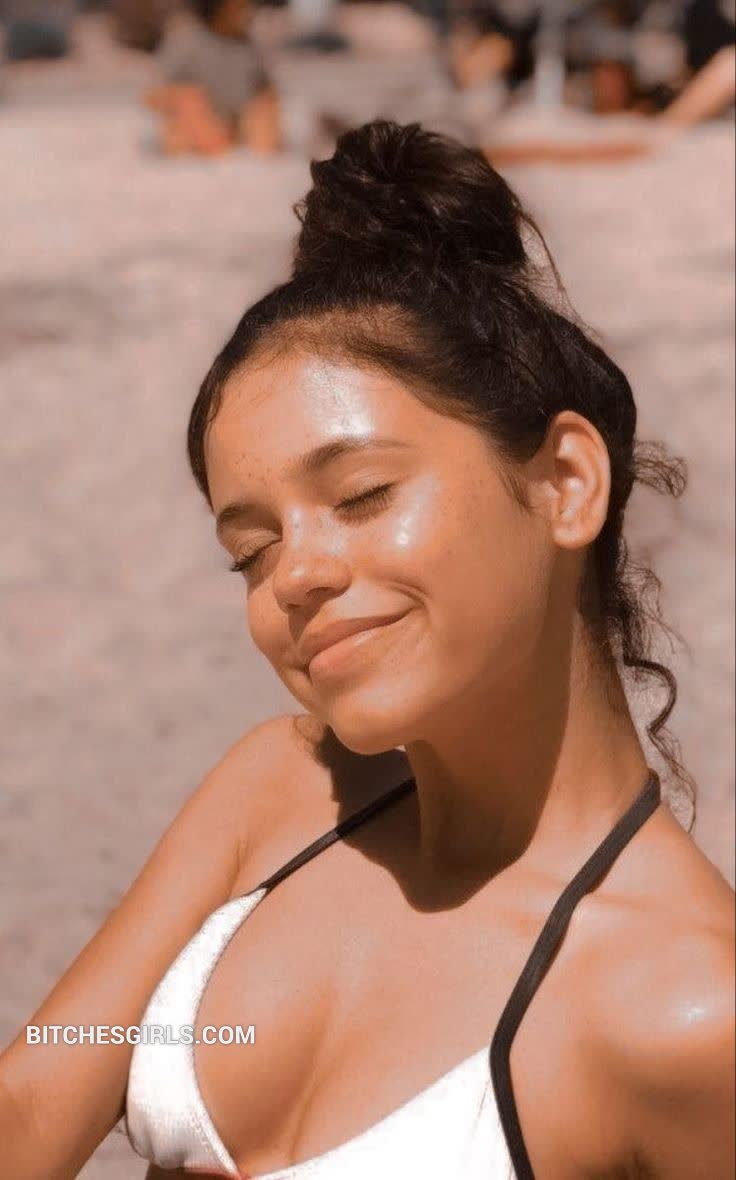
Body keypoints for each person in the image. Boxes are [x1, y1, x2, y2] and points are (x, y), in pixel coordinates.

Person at [1, 120, 734, 1178]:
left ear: (566, 484)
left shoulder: (684, 1015)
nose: (294, 574)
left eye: (361, 495)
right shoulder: (278, 792)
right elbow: (34, 1099)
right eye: (251, 550)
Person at [144, 0, 281, 156]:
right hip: (195, 129)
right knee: (188, 101)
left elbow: (266, 90)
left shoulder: (248, 47)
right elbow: (152, 94)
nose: (245, 13)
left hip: (237, 127)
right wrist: (184, 100)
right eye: (237, 7)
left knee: (264, 105)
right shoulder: (187, 40)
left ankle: (258, 154)